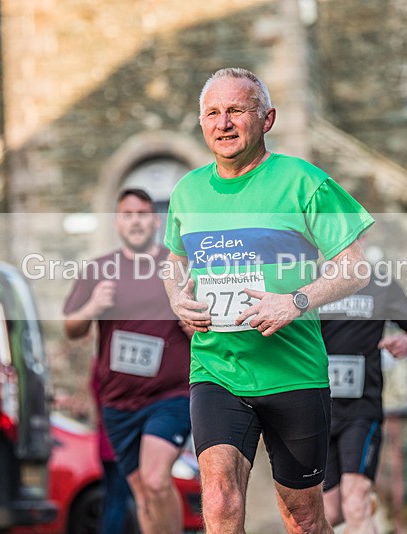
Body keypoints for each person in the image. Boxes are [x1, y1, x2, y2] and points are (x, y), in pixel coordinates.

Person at [162, 67, 374, 534]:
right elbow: (173, 262)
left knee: (301, 516)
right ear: (201, 123)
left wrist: (295, 300)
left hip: (293, 372)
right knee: (217, 499)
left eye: (237, 110)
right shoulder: (187, 191)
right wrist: (178, 299)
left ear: (267, 119)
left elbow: (357, 267)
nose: (224, 123)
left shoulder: (302, 180)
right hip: (218, 369)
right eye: (213, 113)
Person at [63, 188, 192, 534]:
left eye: (142, 214)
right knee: (142, 492)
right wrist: (92, 308)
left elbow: (206, 326)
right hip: (118, 404)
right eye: (127, 214)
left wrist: (192, 325)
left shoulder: (176, 266)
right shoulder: (99, 270)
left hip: (171, 396)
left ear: (154, 221)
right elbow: (71, 327)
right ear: (117, 223)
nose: (135, 221)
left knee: (155, 479)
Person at [319, 262, 407, 534]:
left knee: (355, 502)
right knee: (328, 513)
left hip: (361, 409)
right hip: (317, 411)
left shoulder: (379, 283)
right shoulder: (306, 279)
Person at [90, 356, 133, 534]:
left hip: (105, 446)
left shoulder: (100, 364)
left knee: (111, 499)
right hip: (120, 446)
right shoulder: (122, 369)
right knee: (118, 501)